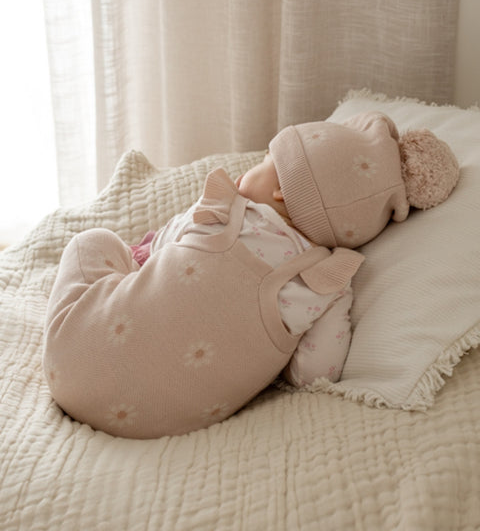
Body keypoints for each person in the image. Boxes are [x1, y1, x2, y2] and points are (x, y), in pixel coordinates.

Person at [43, 111, 459, 439]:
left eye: (264, 161)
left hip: (73, 364)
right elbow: (315, 375)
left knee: (93, 241)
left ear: (281, 190)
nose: (248, 170)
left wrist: (142, 259)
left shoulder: (225, 210)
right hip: (162, 418)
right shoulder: (325, 284)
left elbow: (160, 250)